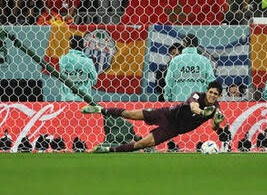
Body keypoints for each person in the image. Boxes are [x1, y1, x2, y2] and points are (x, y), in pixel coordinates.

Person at [81, 81, 225, 153]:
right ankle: (101, 109)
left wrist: (217, 123)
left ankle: (108, 150)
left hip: (174, 129)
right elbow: (194, 107)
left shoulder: (216, 109)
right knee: (131, 114)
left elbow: (213, 126)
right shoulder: (197, 95)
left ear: (219, 96)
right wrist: (202, 113)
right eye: (211, 92)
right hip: (167, 114)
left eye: (216, 94)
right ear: (207, 91)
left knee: (143, 144)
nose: (212, 95)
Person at [163, 34, 217, 102]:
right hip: (198, 100)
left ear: (184, 44)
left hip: (178, 99)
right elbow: (211, 82)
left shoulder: (175, 60)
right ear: (197, 45)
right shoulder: (204, 61)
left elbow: (169, 81)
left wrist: (168, 98)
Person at [59, 35, 98, 101]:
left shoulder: (63, 59)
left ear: (70, 44)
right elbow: (94, 80)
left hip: (66, 100)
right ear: (83, 45)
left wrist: (72, 77)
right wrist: (83, 80)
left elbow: (63, 77)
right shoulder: (88, 61)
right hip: (84, 100)